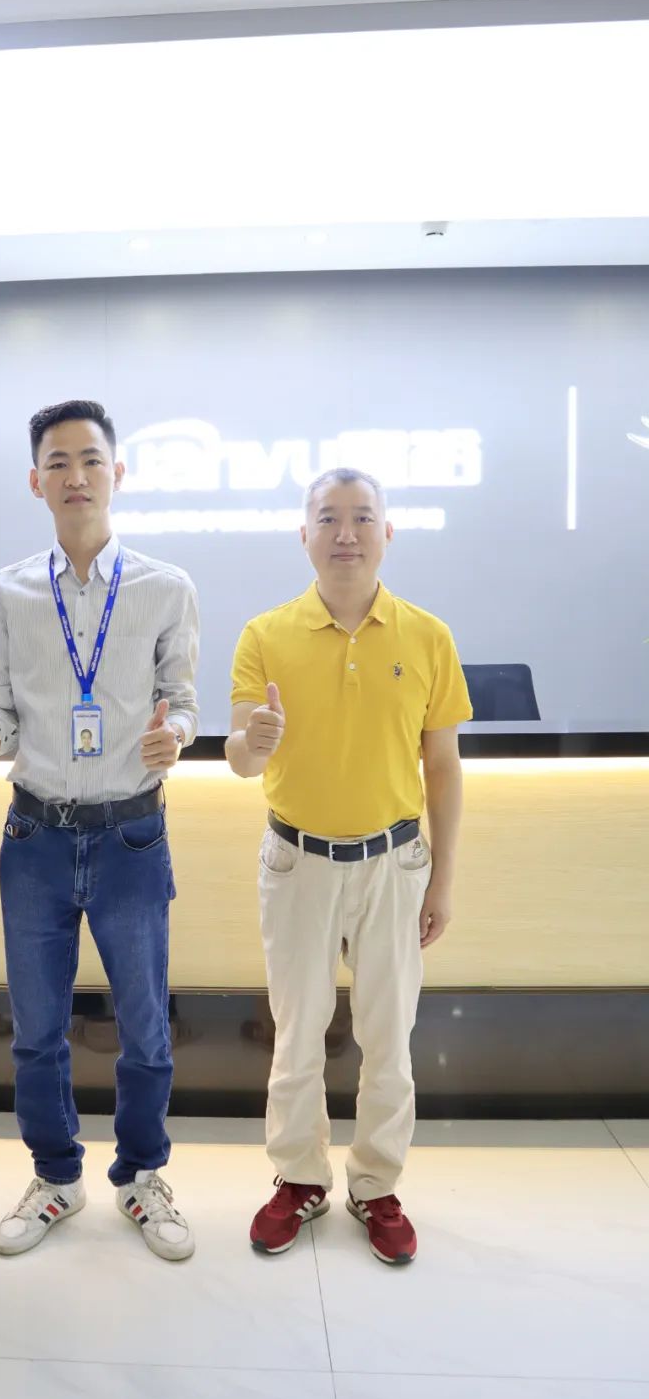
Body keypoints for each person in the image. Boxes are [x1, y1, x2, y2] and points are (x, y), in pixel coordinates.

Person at [0, 399, 200, 1261]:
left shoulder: (167, 587)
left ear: (117, 472)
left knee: (146, 1029)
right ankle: (56, 1176)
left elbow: (184, 702)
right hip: (36, 838)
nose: (75, 476)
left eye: (90, 459)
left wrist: (177, 737)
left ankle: (141, 1177)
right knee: (35, 1031)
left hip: (132, 836)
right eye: (57, 462)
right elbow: (3, 714)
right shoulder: (7, 591)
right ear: (36, 481)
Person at [226, 468, 472, 1266]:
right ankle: (299, 1178)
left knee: (388, 1037)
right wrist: (253, 742)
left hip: (393, 864)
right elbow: (239, 756)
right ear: (304, 534)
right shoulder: (265, 634)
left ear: (387, 533)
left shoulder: (428, 636)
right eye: (328, 517)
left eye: (363, 517)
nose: (345, 533)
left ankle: (375, 1184)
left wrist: (443, 881)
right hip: (296, 861)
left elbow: (443, 767)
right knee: (297, 1032)